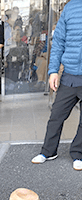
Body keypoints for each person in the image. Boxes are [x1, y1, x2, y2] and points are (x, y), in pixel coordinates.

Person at [31, 0, 82, 171]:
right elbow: (59, 40)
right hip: (69, 75)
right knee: (56, 115)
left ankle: (78, 153)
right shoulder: (70, 7)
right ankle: (48, 151)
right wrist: (53, 71)